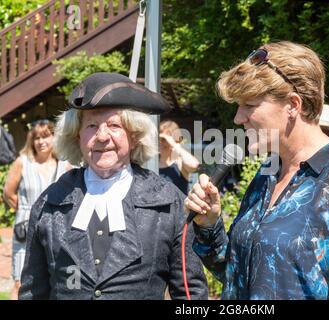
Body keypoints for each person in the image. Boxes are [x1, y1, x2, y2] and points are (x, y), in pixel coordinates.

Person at [185, 41, 329, 300]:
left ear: (293, 104)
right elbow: (237, 274)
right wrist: (210, 223)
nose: (238, 118)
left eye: (249, 105)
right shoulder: (268, 173)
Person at [18, 72, 208, 300]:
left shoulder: (168, 202)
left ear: (134, 135)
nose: (102, 136)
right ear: (77, 135)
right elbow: (32, 293)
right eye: (91, 125)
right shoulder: (50, 203)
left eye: (114, 125)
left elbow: (190, 295)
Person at [3, 119, 71, 300]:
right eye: (37, 138)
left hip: (57, 230)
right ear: (31, 141)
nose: (41, 142)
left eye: (46, 137)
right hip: (25, 231)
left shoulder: (65, 165)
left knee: (55, 278)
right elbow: (8, 193)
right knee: (21, 282)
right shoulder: (22, 162)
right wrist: (28, 211)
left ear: (54, 138)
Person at [159, 120, 200, 195]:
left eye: (164, 140)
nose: (160, 142)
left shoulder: (179, 162)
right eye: (159, 138)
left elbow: (194, 165)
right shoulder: (151, 162)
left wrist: (174, 145)